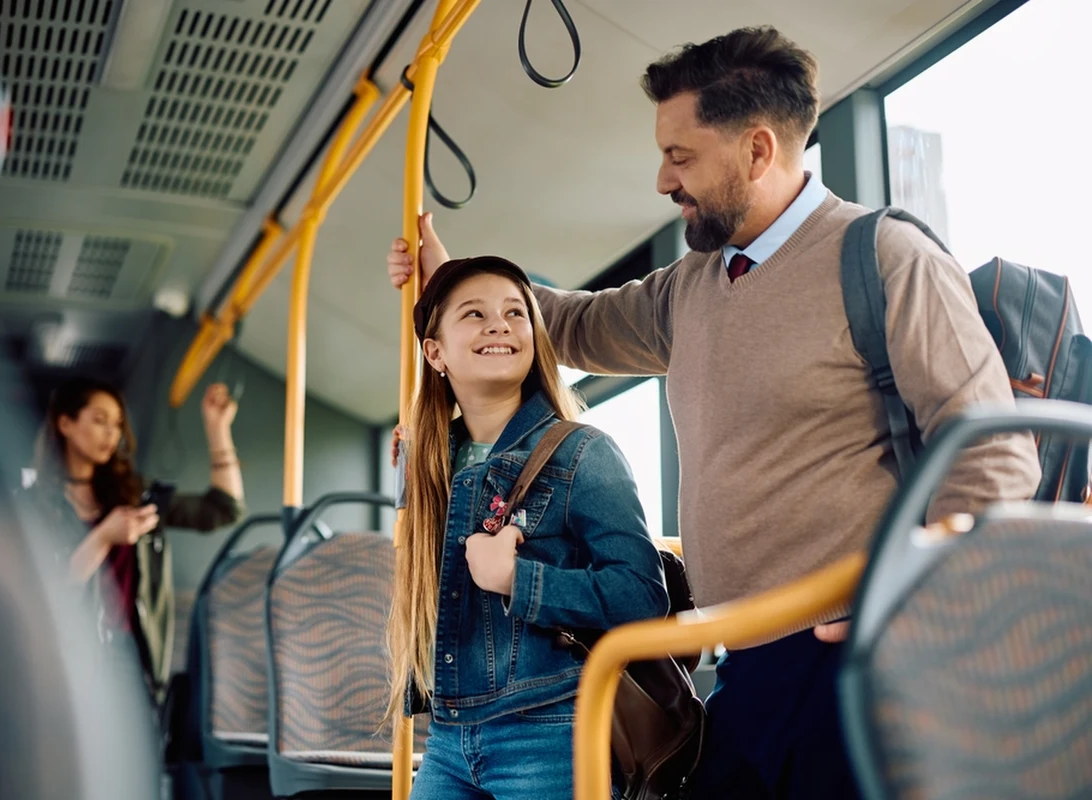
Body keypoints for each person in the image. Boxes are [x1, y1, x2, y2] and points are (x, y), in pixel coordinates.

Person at [388, 25, 1042, 798]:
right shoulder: (692, 285)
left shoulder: (882, 257)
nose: (664, 180)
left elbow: (993, 450)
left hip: (857, 657)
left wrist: (912, 597)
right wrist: (453, 280)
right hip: (742, 659)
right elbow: (569, 324)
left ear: (758, 150)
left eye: (681, 155)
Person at [386, 255, 668, 799]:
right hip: (447, 737)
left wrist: (521, 580)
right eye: (474, 314)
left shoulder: (584, 453)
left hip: (551, 729)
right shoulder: (428, 464)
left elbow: (642, 596)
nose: (499, 325)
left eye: (515, 313)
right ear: (435, 353)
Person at [24, 377, 245, 700]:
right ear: (65, 423)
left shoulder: (135, 496)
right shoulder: (32, 505)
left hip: (132, 659)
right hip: (65, 657)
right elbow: (45, 594)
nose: (111, 433)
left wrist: (218, 428)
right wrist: (103, 537)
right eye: (100, 420)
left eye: (117, 424)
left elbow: (224, 509)